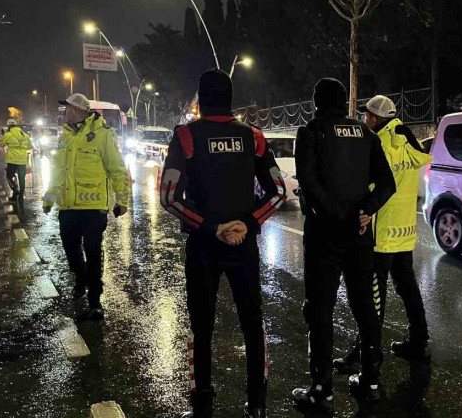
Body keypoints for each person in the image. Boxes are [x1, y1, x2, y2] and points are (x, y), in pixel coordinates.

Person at [159, 70, 286, 418]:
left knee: (201, 325)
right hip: (243, 245)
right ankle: (257, 404)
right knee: (252, 322)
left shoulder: (186, 135)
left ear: (200, 99)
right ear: (231, 98)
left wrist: (212, 227)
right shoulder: (254, 137)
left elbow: (169, 197)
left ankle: (203, 404)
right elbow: (278, 193)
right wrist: (246, 224)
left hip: (203, 246)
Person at [292, 78, 396, 414]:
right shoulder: (365, 133)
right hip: (360, 235)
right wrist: (363, 212)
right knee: (365, 306)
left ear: (316, 102)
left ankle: (321, 389)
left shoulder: (310, 132)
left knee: (319, 310)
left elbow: (308, 182)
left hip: (325, 234)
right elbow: (387, 183)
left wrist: (339, 216)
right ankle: (371, 381)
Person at [334, 95, 434, 376]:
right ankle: (418, 340)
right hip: (405, 232)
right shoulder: (406, 136)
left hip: (380, 233)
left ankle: (363, 355)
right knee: (407, 288)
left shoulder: (379, 142)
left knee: (371, 298)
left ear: (376, 118)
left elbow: (366, 184)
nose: (365, 120)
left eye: (367, 116)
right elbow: (417, 162)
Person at [42, 93, 131, 321]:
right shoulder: (65, 137)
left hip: (94, 207)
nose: (64, 113)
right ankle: (80, 278)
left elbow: (117, 169)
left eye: (68, 109)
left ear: (79, 111)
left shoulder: (103, 135)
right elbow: (57, 172)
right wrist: (49, 199)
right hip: (68, 207)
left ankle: (95, 301)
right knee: (70, 249)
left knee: (92, 251)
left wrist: (122, 201)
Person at [0, 119, 32, 201]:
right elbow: (29, 147)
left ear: (9, 126)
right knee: (22, 178)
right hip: (23, 159)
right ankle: (21, 195)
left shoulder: (8, 134)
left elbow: (1, 145)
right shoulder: (25, 135)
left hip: (12, 159)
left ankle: (15, 190)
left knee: (9, 177)